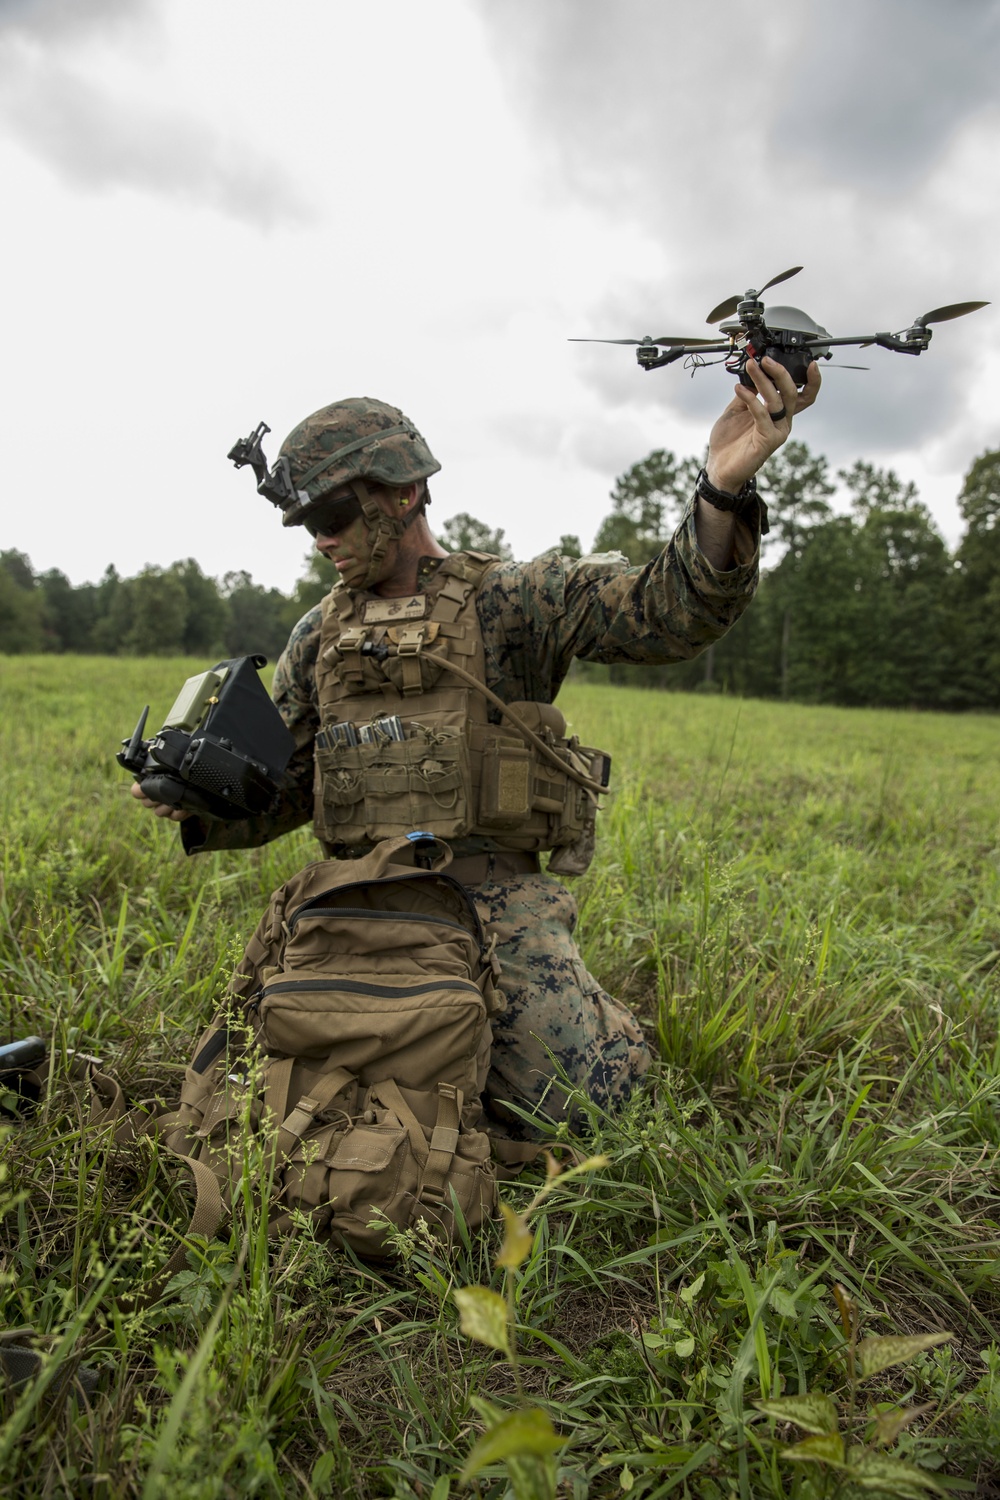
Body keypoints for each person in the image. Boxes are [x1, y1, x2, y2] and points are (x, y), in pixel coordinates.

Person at [134, 357, 819, 1138]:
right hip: (362, 898)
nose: (321, 539)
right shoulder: (320, 633)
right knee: (248, 1092)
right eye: (306, 524)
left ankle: (594, 1025)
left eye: (333, 513)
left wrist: (722, 488)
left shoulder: (511, 597)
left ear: (404, 490)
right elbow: (290, 790)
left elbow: (666, 613)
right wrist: (202, 792)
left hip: (490, 904)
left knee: (582, 1109)